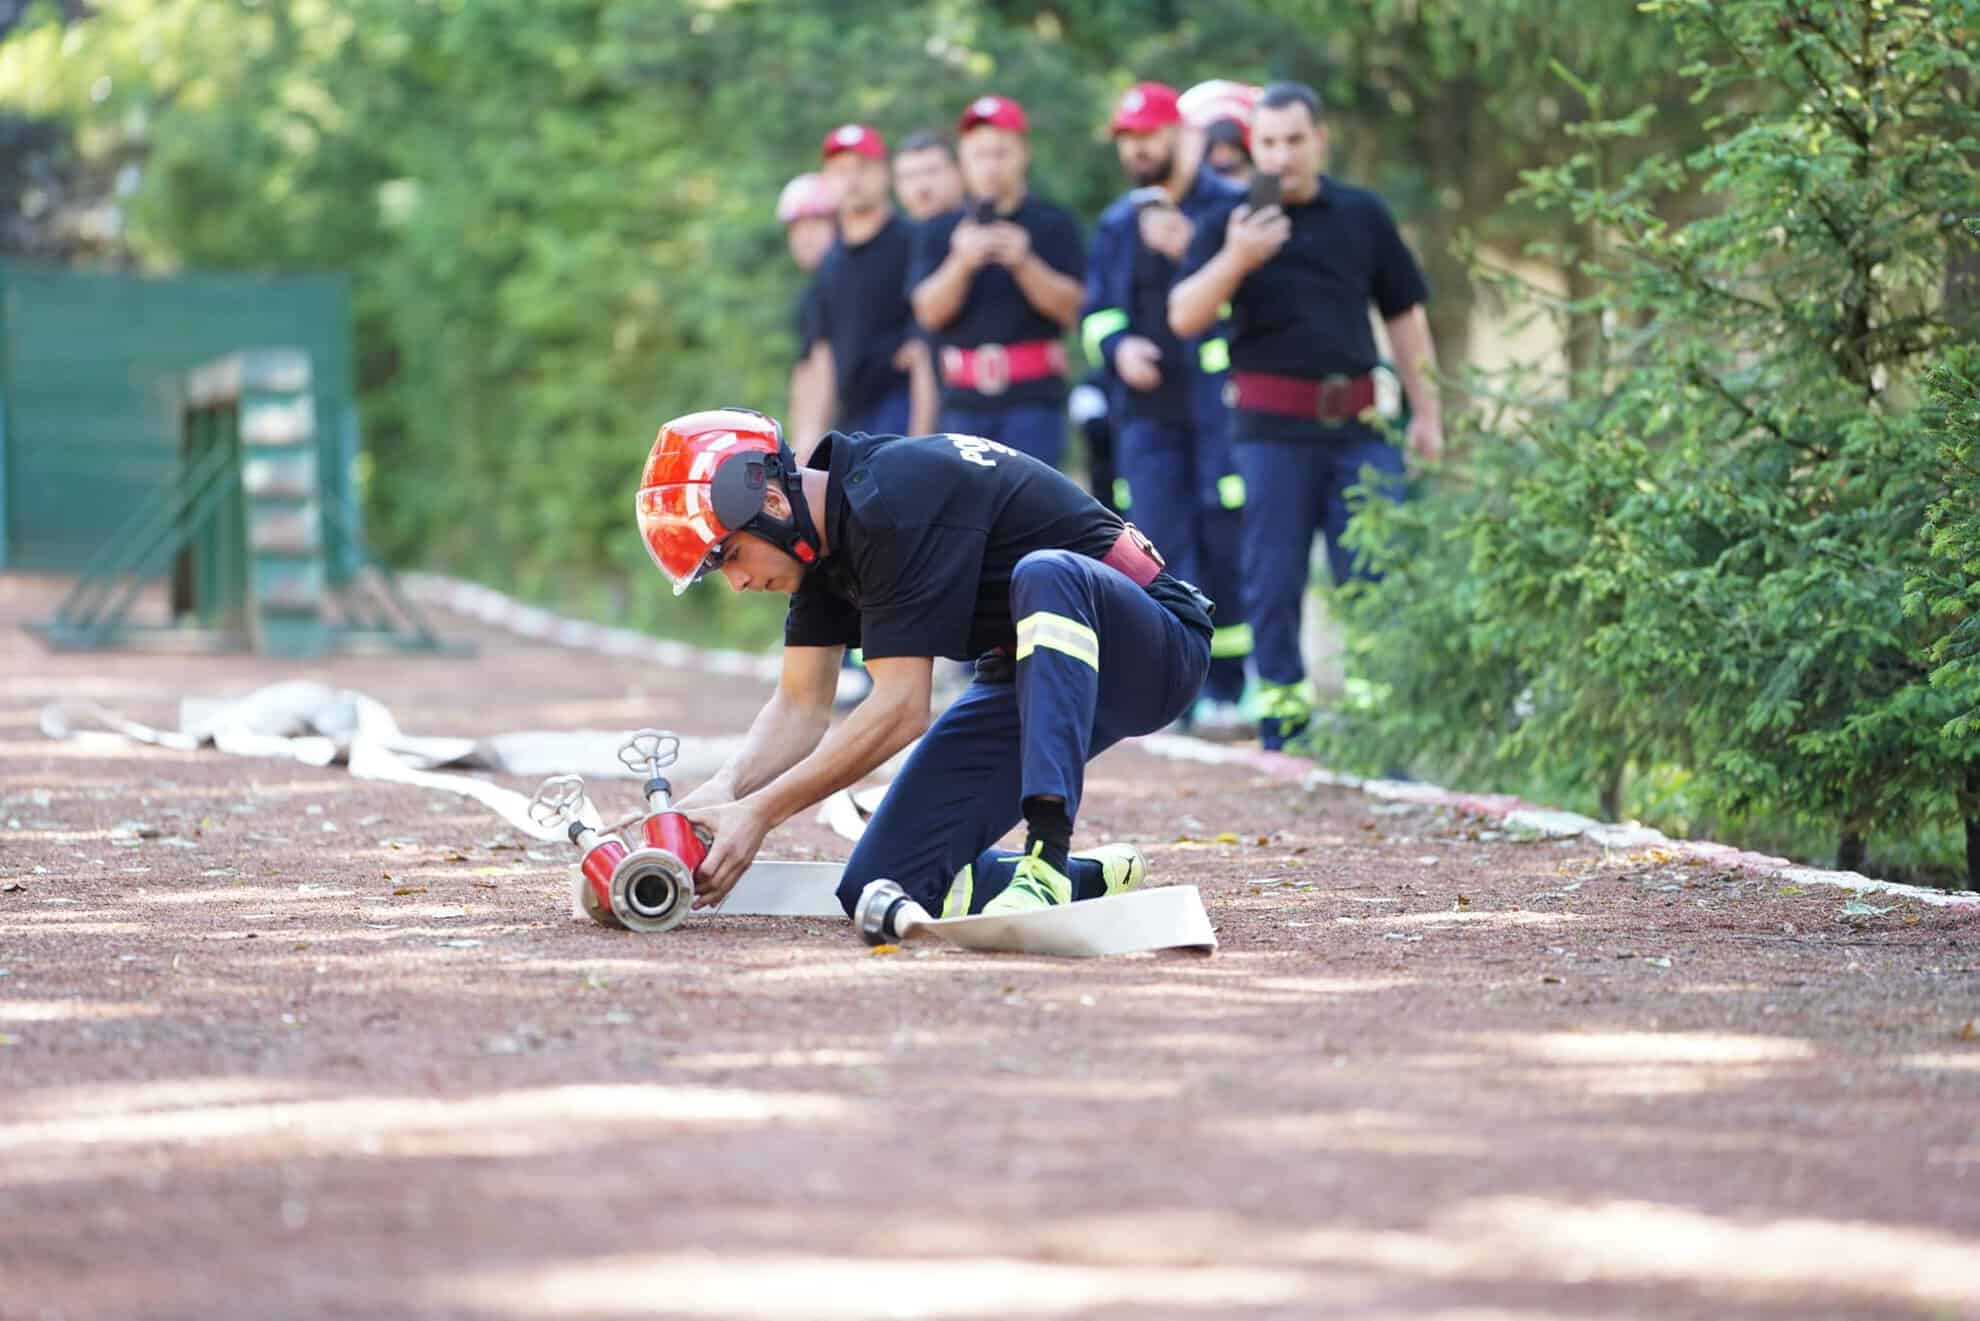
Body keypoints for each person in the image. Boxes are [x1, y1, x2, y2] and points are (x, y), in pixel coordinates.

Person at [637, 409, 1213, 920]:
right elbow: (800, 705)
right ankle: (1093, 877)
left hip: (1153, 649)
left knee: (1047, 573)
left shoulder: (892, 500)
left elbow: (901, 708)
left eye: (731, 556)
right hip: (1030, 675)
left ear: (771, 502)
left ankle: (1048, 858)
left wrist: (759, 813)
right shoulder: (818, 552)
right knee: (880, 884)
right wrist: (720, 796)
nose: (736, 583)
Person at [1170, 80, 1444, 750]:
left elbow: (1405, 314)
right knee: (1274, 581)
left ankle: (1380, 733)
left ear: (1320, 140)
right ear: (1251, 146)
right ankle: (1284, 730)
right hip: (1270, 435)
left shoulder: (1362, 214)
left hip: (1360, 429)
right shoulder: (1230, 222)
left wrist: (1428, 411)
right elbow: (1184, 316)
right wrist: (1238, 258)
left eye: (1295, 140)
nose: (1282, 156)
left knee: (1374, 574)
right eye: (1268, 143)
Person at [1082, 82, 1252, 729]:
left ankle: (1231, 688)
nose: (1138, 150)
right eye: (1127, 140)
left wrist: (1192, 249)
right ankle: (1167, 691)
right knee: (1152, 544)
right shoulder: (1119, 221)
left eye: (1148, 135)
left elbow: (1258, 308)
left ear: (1183, 134)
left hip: (1220, 411)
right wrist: (1119, 347)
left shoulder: (1228, 207)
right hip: (1147, 416)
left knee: (1225, 540)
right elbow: (1096, 313)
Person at [908, 95, 1086, 468]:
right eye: (979, 154)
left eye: (1000, 153)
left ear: (1023, 153)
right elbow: (927, 313)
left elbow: (1075, 310)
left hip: (1034, 402)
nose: (990, 166)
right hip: (963, 404)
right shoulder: (939, 231)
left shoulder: (1053, 223)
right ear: (963, 160)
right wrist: (960, 262)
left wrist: (1025, 262)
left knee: (1034, 518)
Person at [796, 124, 937, 444]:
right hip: (850, 417)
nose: (851, 179)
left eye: (862, 168)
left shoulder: (913, 241)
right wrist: (808, 443)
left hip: (901, 411)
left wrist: (921, 443)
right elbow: (822, 356)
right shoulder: (830, 261)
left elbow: (923, 350)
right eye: (840, 170)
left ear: (884, 173)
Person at [776, 171, 839, 457]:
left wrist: (809, 444)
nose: (805, 237)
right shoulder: (810, 294)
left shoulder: (839, 284)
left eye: (815, 224)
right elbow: (806, 368)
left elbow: (823, 365)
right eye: (796, 228)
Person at [892, 130, 965, 223]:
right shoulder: (892, 235)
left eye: (931, 171)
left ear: (956, 173)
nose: (922, 184)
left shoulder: (982, 228)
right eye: (910, 176)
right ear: (897, 186)